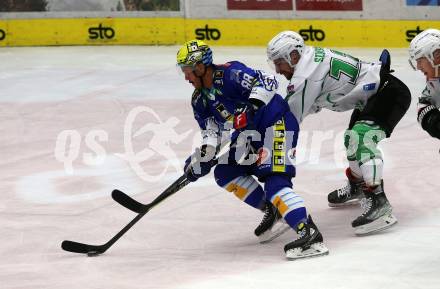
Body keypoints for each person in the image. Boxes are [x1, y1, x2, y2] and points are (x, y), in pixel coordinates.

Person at [177, 39, 329, 259]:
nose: (186, 77)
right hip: (249, 136)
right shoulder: (199, 100)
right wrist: (201, 159)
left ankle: (309, 233)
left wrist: (253, 106)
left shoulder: (230, 74)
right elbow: (212, 133)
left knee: (275, 181)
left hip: (276, 123)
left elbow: (267, 81)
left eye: (188, 71)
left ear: (201, 67)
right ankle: (273, 209)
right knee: (225, 171)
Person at [266, 31, 411, 235]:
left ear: (294, 55)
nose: (278, 70)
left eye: (280, 62)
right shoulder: (309, 62)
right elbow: (309, 102)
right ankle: (357, 185)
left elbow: (290, 118)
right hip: (374, 94)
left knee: (362, 138)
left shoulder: (305, 75)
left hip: (388, 93)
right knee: (351, 139)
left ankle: (379, 201)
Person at [408, 28, 440, 141]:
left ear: (437, 56)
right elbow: (423, 105)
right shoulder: (435, 83)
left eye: (420, 60)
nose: (418, 67)